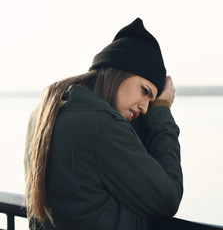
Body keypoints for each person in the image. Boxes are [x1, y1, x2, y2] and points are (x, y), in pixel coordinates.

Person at [24, 18, 183, 230]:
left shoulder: (47, 110)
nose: (145, 108)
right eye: (145, 91)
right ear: (119, 71)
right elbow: (168, 198)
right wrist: (161, 111)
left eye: (152, 102)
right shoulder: (102, 125)